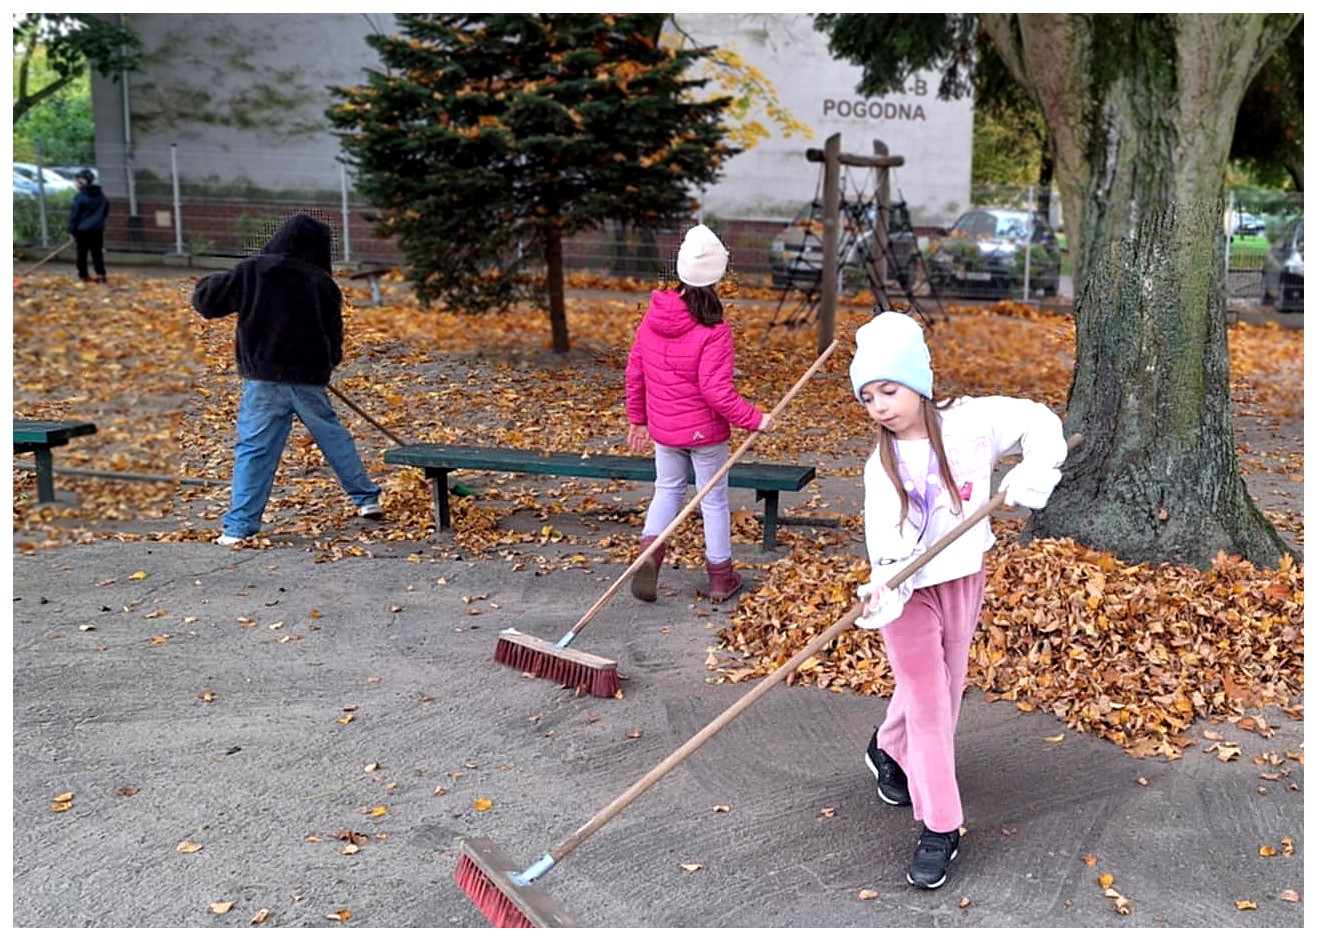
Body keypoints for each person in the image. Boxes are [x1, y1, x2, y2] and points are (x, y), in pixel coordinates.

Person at [848, 310, 1068, 891]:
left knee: (945, 684)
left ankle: (886, 747)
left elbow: (1040, 422)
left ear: (918, 382)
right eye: (868, 397)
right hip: (908, 593)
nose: (879, 407)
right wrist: (884, 588)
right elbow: (885, 548)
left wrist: (1035, 470)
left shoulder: (972, 422)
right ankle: (940, 826)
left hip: (964, 578)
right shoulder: (880, 468)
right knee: (932, 705)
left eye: (889, 390)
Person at [191, 212, 383, 546]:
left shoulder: (252, 271)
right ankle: (366, 498)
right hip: (308, 379)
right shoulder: (322, 282)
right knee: (333, 437)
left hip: (264, 378)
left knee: (254, 449)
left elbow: (208, 302)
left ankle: (238, 528)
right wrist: (325, 363)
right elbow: (333, 335)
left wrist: (208, 282)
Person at [625, 224, 773, 603]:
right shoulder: (714, 328)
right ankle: (721, 577)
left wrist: (638, 419)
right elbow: (715, 390)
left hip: (664, 429)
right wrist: (756, 419)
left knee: (667, 489)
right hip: (704, 434)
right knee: (713, 501)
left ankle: (649, 552)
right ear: (717, 277)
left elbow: (635, 371)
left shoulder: (653, 317)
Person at [67, 169, 109, 283]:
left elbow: (75, 214)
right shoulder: (101, 195)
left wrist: (72, 230)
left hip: (82, 230)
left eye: (76, 181)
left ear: (81, 182)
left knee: (82, 253)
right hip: (97, 229)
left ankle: (83, 275)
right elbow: (106, 209)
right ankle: (101, 276)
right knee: (97, 253)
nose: (74, 183)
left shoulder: (80, 196)